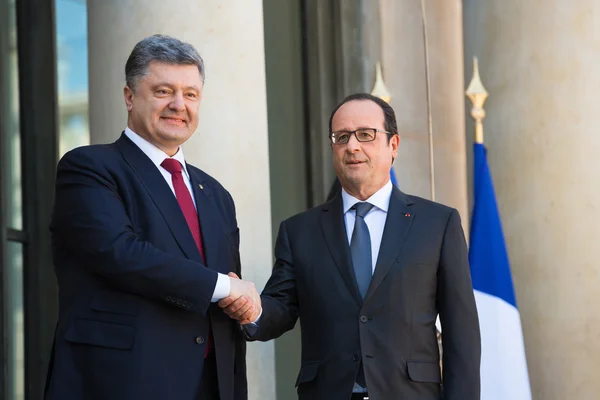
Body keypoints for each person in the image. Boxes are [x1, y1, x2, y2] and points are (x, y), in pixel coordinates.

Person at [220, 93, 481, 400]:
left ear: (393, 145)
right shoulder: (300, 231)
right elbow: (280, 308)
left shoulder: (438, 223)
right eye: (341, 137)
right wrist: (251, 309)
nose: (352, 146)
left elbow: (461, 333)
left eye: (366, 135)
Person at [44, 34, 259, 400]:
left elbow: (219, 288)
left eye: (190, 94)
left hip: (212, 384)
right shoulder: (90, 168)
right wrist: (226, 286)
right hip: (122, 382)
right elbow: (120, 253)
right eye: (163, 91)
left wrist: (241, 300)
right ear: (130, 97)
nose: (179, 104)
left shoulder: (216, 195)